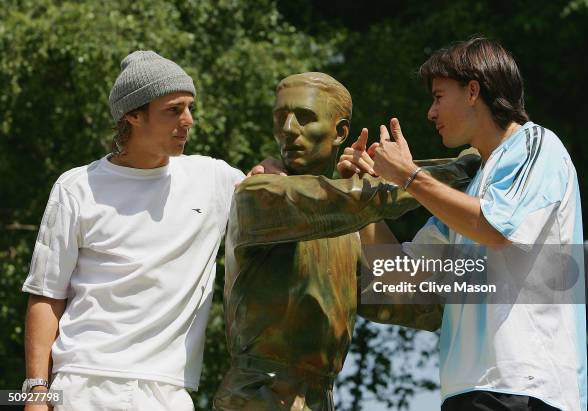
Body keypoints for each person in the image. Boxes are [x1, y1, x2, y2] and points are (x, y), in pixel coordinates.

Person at [339, 37, 586, 411]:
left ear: (473, 91)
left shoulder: (537, 145)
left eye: (438, 96)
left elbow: (497, 229)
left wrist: (410, 177)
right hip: (466, 392)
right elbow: (398, 275)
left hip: (527, 388)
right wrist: (362, 196)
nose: (430, 113)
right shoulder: (468, 192)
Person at [214, 72, 480, 411]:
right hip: (255, 398)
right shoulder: (259, 194)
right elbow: (345, 201)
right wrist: (465, 168)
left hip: (317, 400)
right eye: (281, 118)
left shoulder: (347, 225)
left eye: (305, 117)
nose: (289, 129)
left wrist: (366, 202)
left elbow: (414, 305)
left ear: (341, 131)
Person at [22, 50, 244, 410]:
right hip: (84, 385)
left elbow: (281, 204)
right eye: (174, 110)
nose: (188, 121)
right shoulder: (76, 187)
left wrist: (361, 182)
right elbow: (47, 295)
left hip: (170, 393)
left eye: (190, 107)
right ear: (134, 116)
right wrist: (35, 393)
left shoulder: (214, 179)